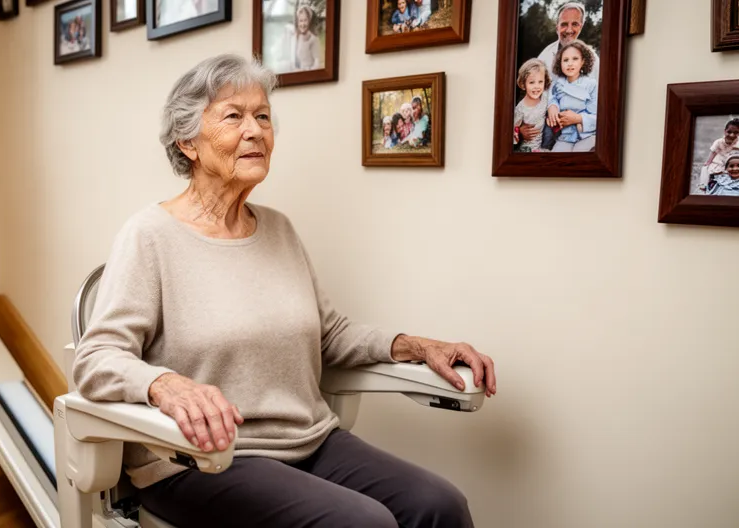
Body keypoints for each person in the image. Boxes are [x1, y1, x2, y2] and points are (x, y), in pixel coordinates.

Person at [73, 54, 496, 528]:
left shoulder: (279, 229)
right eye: (234, 115)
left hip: (311, 441)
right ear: (187, 141)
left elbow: (330, 336)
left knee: (440, 506)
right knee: (363, 524)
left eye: (263, 116)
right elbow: (96, 358)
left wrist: (415, 346)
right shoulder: (149, 235)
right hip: (202, 459)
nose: (255, 130)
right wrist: (163, 383)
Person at [520, 2, 600, 147]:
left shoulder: (593, 60)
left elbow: (600, 105)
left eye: (575, 24)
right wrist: (523, 125)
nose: (569, 30)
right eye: (564, 24)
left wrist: (578, 118)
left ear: (581, 26)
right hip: (546, 124)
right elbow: (532, 92)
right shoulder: (545, 56)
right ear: (557, 26)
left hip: (582, 129)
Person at [546, 40, 598, 152]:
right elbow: (552, 98)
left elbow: (598, 117)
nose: (570, 63)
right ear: (560, 64)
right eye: (565, 60)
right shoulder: (557, 84)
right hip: (565, 137)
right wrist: (552, 107)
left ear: (583, 61)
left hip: (586, 135)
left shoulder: (591, 84)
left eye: (575, 59)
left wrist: (578, 119)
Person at [513, 58, 553, 152]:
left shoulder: (545, 98)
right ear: (523, 84)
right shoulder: (520, 108)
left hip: (544, 145)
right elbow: (513, 129)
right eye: (531, 82)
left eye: (540, 82)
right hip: (527, 149)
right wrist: (520, 131)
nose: (536, 86)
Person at [699, 118, 739, 191]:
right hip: (720, 160)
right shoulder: (719, 142)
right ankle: (705, 185)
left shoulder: (738, 142)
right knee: (706, 169)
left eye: (736, 132)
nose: (731, 135)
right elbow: (713, 152)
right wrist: (708, 162)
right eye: (729, 132)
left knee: (733, 171)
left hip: (731, 160)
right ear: (725, 131)